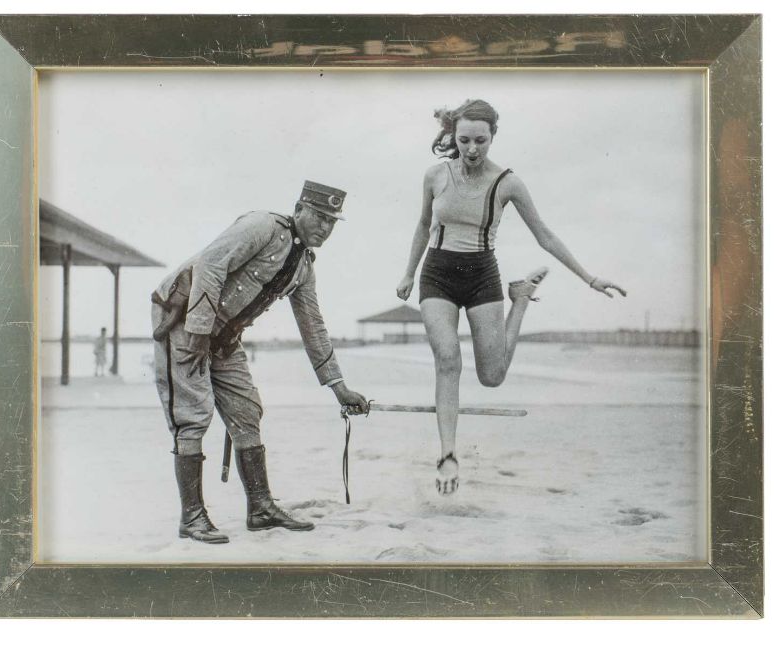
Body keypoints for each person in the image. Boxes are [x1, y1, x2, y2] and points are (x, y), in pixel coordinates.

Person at [396, 99, 626, 496]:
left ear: (493, 137)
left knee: (492, 377)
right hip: (438, 274)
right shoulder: (435, 176)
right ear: (453, 136)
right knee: (448, 359)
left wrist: (589, 278)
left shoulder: (508, 183)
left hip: (482, 275)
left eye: (480, 141)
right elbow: (422, 225)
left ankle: (520, 299)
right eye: (464, 140)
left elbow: (545, 235)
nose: (472, 149)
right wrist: (408, 272)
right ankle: (447, 455)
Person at [151, 181, 369, 544]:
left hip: (224, 335)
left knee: (247, 410)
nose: (325, 227)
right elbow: (210, 263)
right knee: (193, 415)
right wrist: (199, 331)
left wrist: (339, 387)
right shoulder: (262, 226)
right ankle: (192, 517)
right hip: (183, 320)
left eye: (332, 221)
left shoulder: (303, 266)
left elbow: (313, 326)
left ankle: (261, 508)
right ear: (298, 209)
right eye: (319, 216)